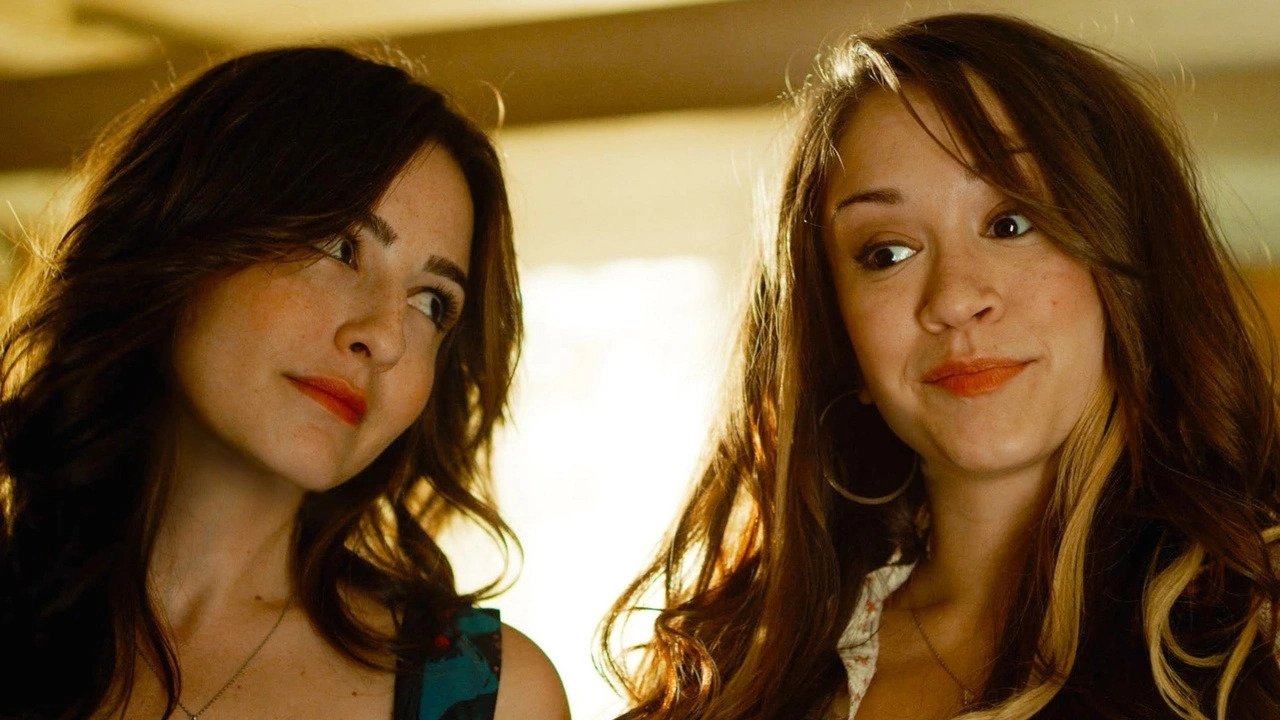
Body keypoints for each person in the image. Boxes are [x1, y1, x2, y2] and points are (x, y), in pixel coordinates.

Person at [603, 13, 1280, 720]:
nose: (955, 300)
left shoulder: (1260, 628)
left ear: (1131, 260)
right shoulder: (732, 674)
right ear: (838, 335)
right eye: (887, 253)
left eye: (1011, 224)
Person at [0, 47, 569, 720]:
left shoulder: (488, 695)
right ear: (181, 235)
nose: (386, 337)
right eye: (339, 247)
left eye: (430, 302)